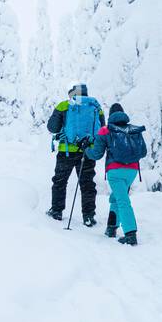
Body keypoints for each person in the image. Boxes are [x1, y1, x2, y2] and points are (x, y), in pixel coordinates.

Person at [85, 103, 144, 246]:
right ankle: (111, 228)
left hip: (115, 171)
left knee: (122, 200)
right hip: (132, 171)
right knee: (117, 198)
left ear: (110, 115)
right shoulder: (132, 129)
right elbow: (143, 152)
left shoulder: (105, 130)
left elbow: (97, 154)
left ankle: (130, 234)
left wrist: (86, 149)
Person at [45, 84, 104, 225]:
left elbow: (52, 127)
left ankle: (57, 211)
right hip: (87, 151)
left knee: (60, 181)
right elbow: (102, 128)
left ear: (73, 94)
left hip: (67, 151)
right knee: (87, 184)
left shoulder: (64, 105)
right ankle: (88, 216)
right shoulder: (95, 106)